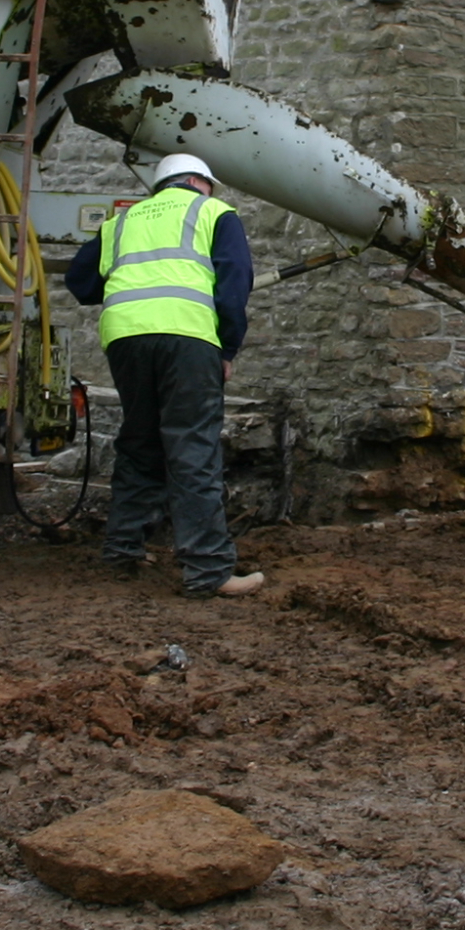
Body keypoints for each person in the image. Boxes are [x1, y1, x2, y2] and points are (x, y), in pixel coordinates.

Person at [65, 152, 264, 598]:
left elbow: (80, 283)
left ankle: (123, 549)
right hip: (188, 335)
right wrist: (228, 347)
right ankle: (208, 570)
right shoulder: (213, 212)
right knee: (192, 447)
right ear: (198, 181)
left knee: (140, 441)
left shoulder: (122, 222)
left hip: (125, 338)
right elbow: (234, 284)